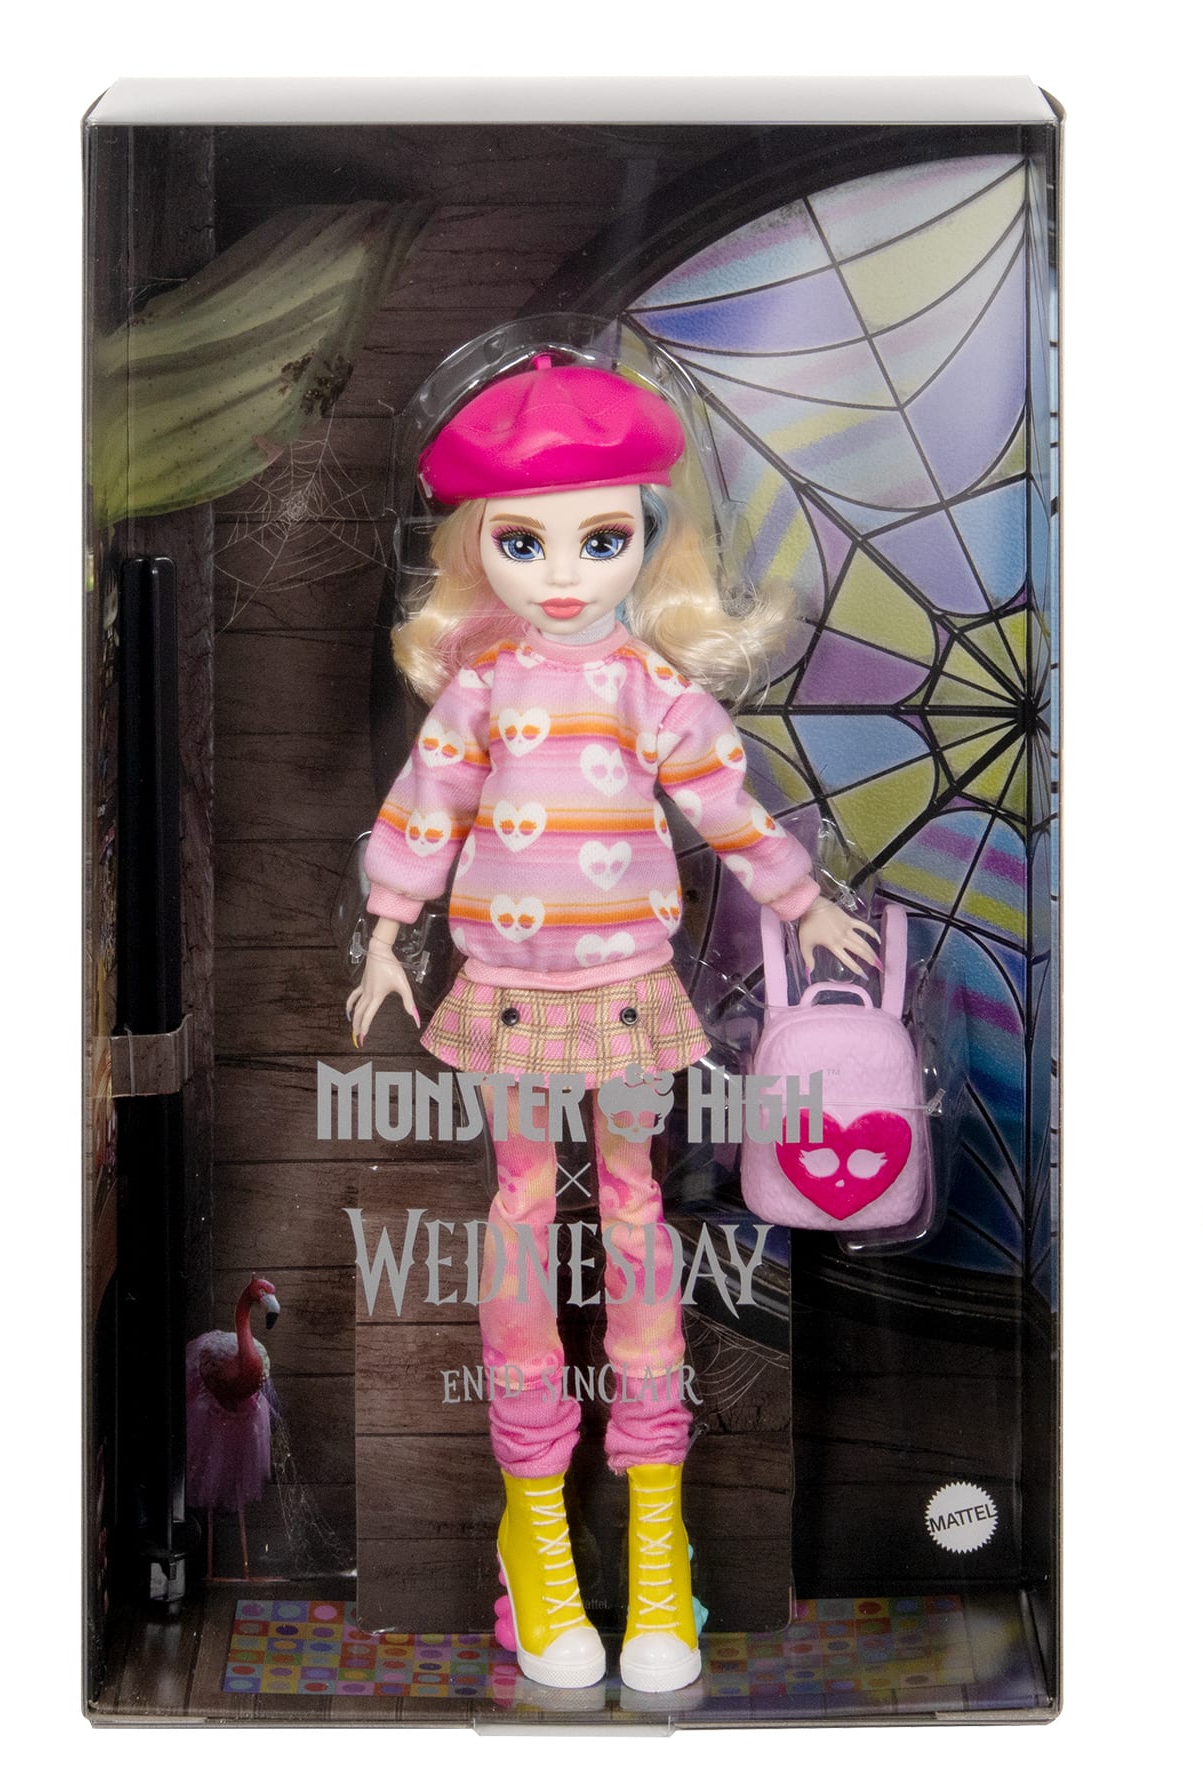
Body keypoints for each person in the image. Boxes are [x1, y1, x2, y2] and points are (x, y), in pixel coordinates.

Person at [345, 353, 875, 1692]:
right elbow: (424, 806)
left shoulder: (649, 685)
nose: (566, 574)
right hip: (507, 990)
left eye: (602, 539)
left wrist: (801, 900)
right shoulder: (481, 689)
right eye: (523, 543)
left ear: (648, 539)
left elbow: (725, 802)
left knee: (636, 1215)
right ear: (477, 550)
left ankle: (655, 1543)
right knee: (524, 1209)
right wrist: (387, 933)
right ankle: (536, 1540)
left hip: (633, 986)